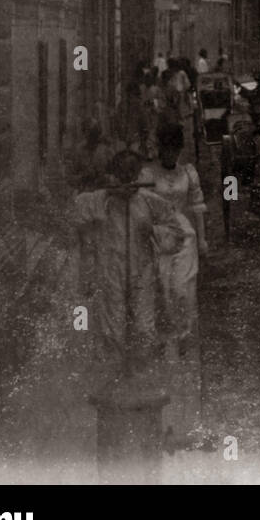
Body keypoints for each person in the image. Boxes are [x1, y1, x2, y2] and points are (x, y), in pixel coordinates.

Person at [72, 149, 192, 370]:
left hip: (142, 269)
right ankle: (114, 375)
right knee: (112, 324)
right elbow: (75, 216)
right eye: (121, 174)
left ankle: (143, 374)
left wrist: (153, 231)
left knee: (144, 325)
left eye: (131, 174)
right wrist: (103, 194)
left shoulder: (149, 201)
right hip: (110, 270)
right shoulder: (99, 200)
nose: (126, 180)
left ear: (138, 175)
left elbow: (177, 233)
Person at [142, 122, 207, 356]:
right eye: (166, 149)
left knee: (182, 288)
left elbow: (198, 206)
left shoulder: (188, 172)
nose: (170, 154)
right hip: (158, 236)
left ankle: (184, 334)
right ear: (160, 149)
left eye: (175, 150)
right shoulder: (148, 174)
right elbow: (141, 205)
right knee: (163, 288)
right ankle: (163, 338)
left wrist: (202, 240)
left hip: (184, 235)